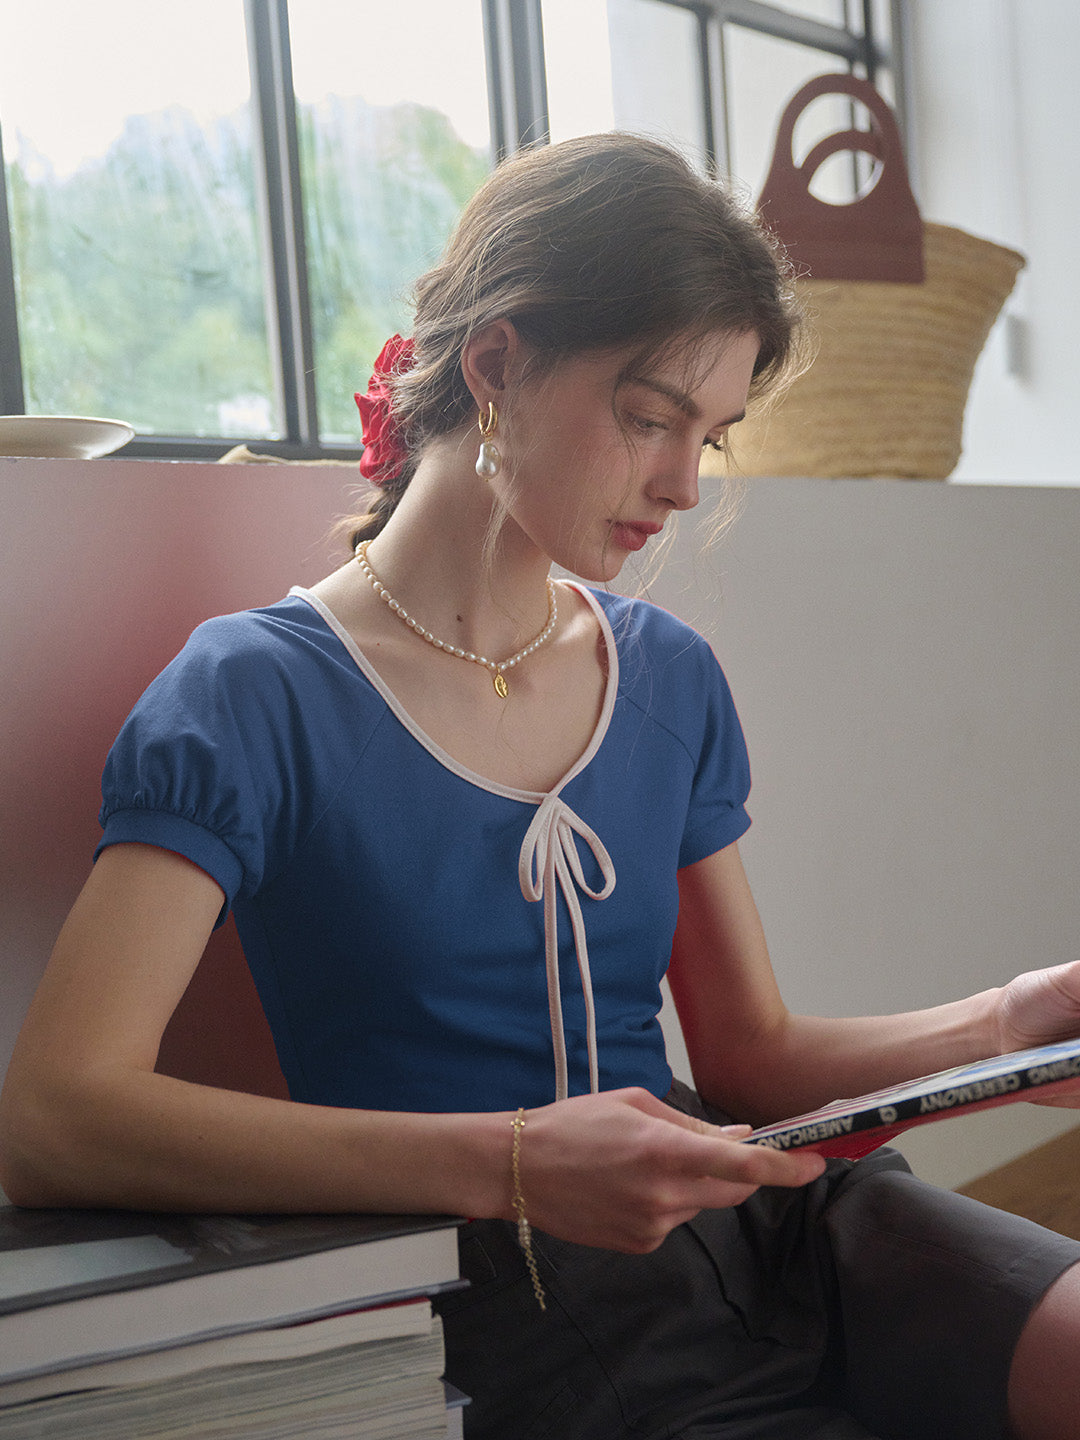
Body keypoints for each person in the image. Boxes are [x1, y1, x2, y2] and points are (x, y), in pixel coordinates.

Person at [1, 133, 1079, 1440]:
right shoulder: (250, 695)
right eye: (648, 417)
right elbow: (55, 1116)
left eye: (712, 434)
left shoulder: (668, 678)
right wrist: (514, 1164)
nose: (683, 485)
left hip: (778, 1226)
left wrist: (1011, 1030)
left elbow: (750, 1059)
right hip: (498, 1292)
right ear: (498, 363)